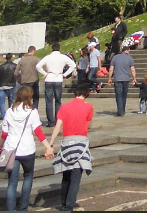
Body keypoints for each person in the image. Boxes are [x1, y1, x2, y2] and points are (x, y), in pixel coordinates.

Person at [0, 86, 53, 211]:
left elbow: (4, 133)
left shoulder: (9, 111)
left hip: (12, 149)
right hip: (27, 149)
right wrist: (48, 147)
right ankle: (23, 208)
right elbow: (38, 131)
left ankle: (10, 209)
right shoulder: (32, 111)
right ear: (29, 97)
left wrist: (0, 146)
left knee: (12, 182)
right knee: (28, 177)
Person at [48, 83, 94, 213]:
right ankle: (69, 206)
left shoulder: (65, 106)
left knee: (66, 175)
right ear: (87, 94)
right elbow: (89, 125)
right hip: (80, 143)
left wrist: (50, 143)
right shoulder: (88, 107)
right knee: (76, 177)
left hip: (66, 143)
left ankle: (64, 202)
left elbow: (58, 126)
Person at [36, 43, 77, 128]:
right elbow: (73, 65)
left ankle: (51, 121)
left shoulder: (48, 57)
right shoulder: (63, 57)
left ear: (52, 48)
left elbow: (38, 66)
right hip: (58, 78)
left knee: (49, 101)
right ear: (59, 48)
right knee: (58, 101)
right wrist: (65, 74)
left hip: (49, 79)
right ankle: (58, 119)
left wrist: (45, 73)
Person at [107, 45, 136, 116]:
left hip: (117, 78)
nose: (129, 52)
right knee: (124, 95)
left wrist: (109, 78)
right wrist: (134, 79)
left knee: (118, 95)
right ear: (126, 50)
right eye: (129, 51)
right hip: (126, 79)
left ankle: (120, 110)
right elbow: (132, 69)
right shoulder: (130, 58)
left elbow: (111, 69)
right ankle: (122, 109)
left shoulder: (115, 57)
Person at [0, 55, 17, 119]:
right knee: (11, 101)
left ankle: (3, 115)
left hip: (1, 86)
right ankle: (11, 115)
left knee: (1, 102)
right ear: (11, 58)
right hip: (11, 85)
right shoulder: (14, 66)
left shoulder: (1, 66)